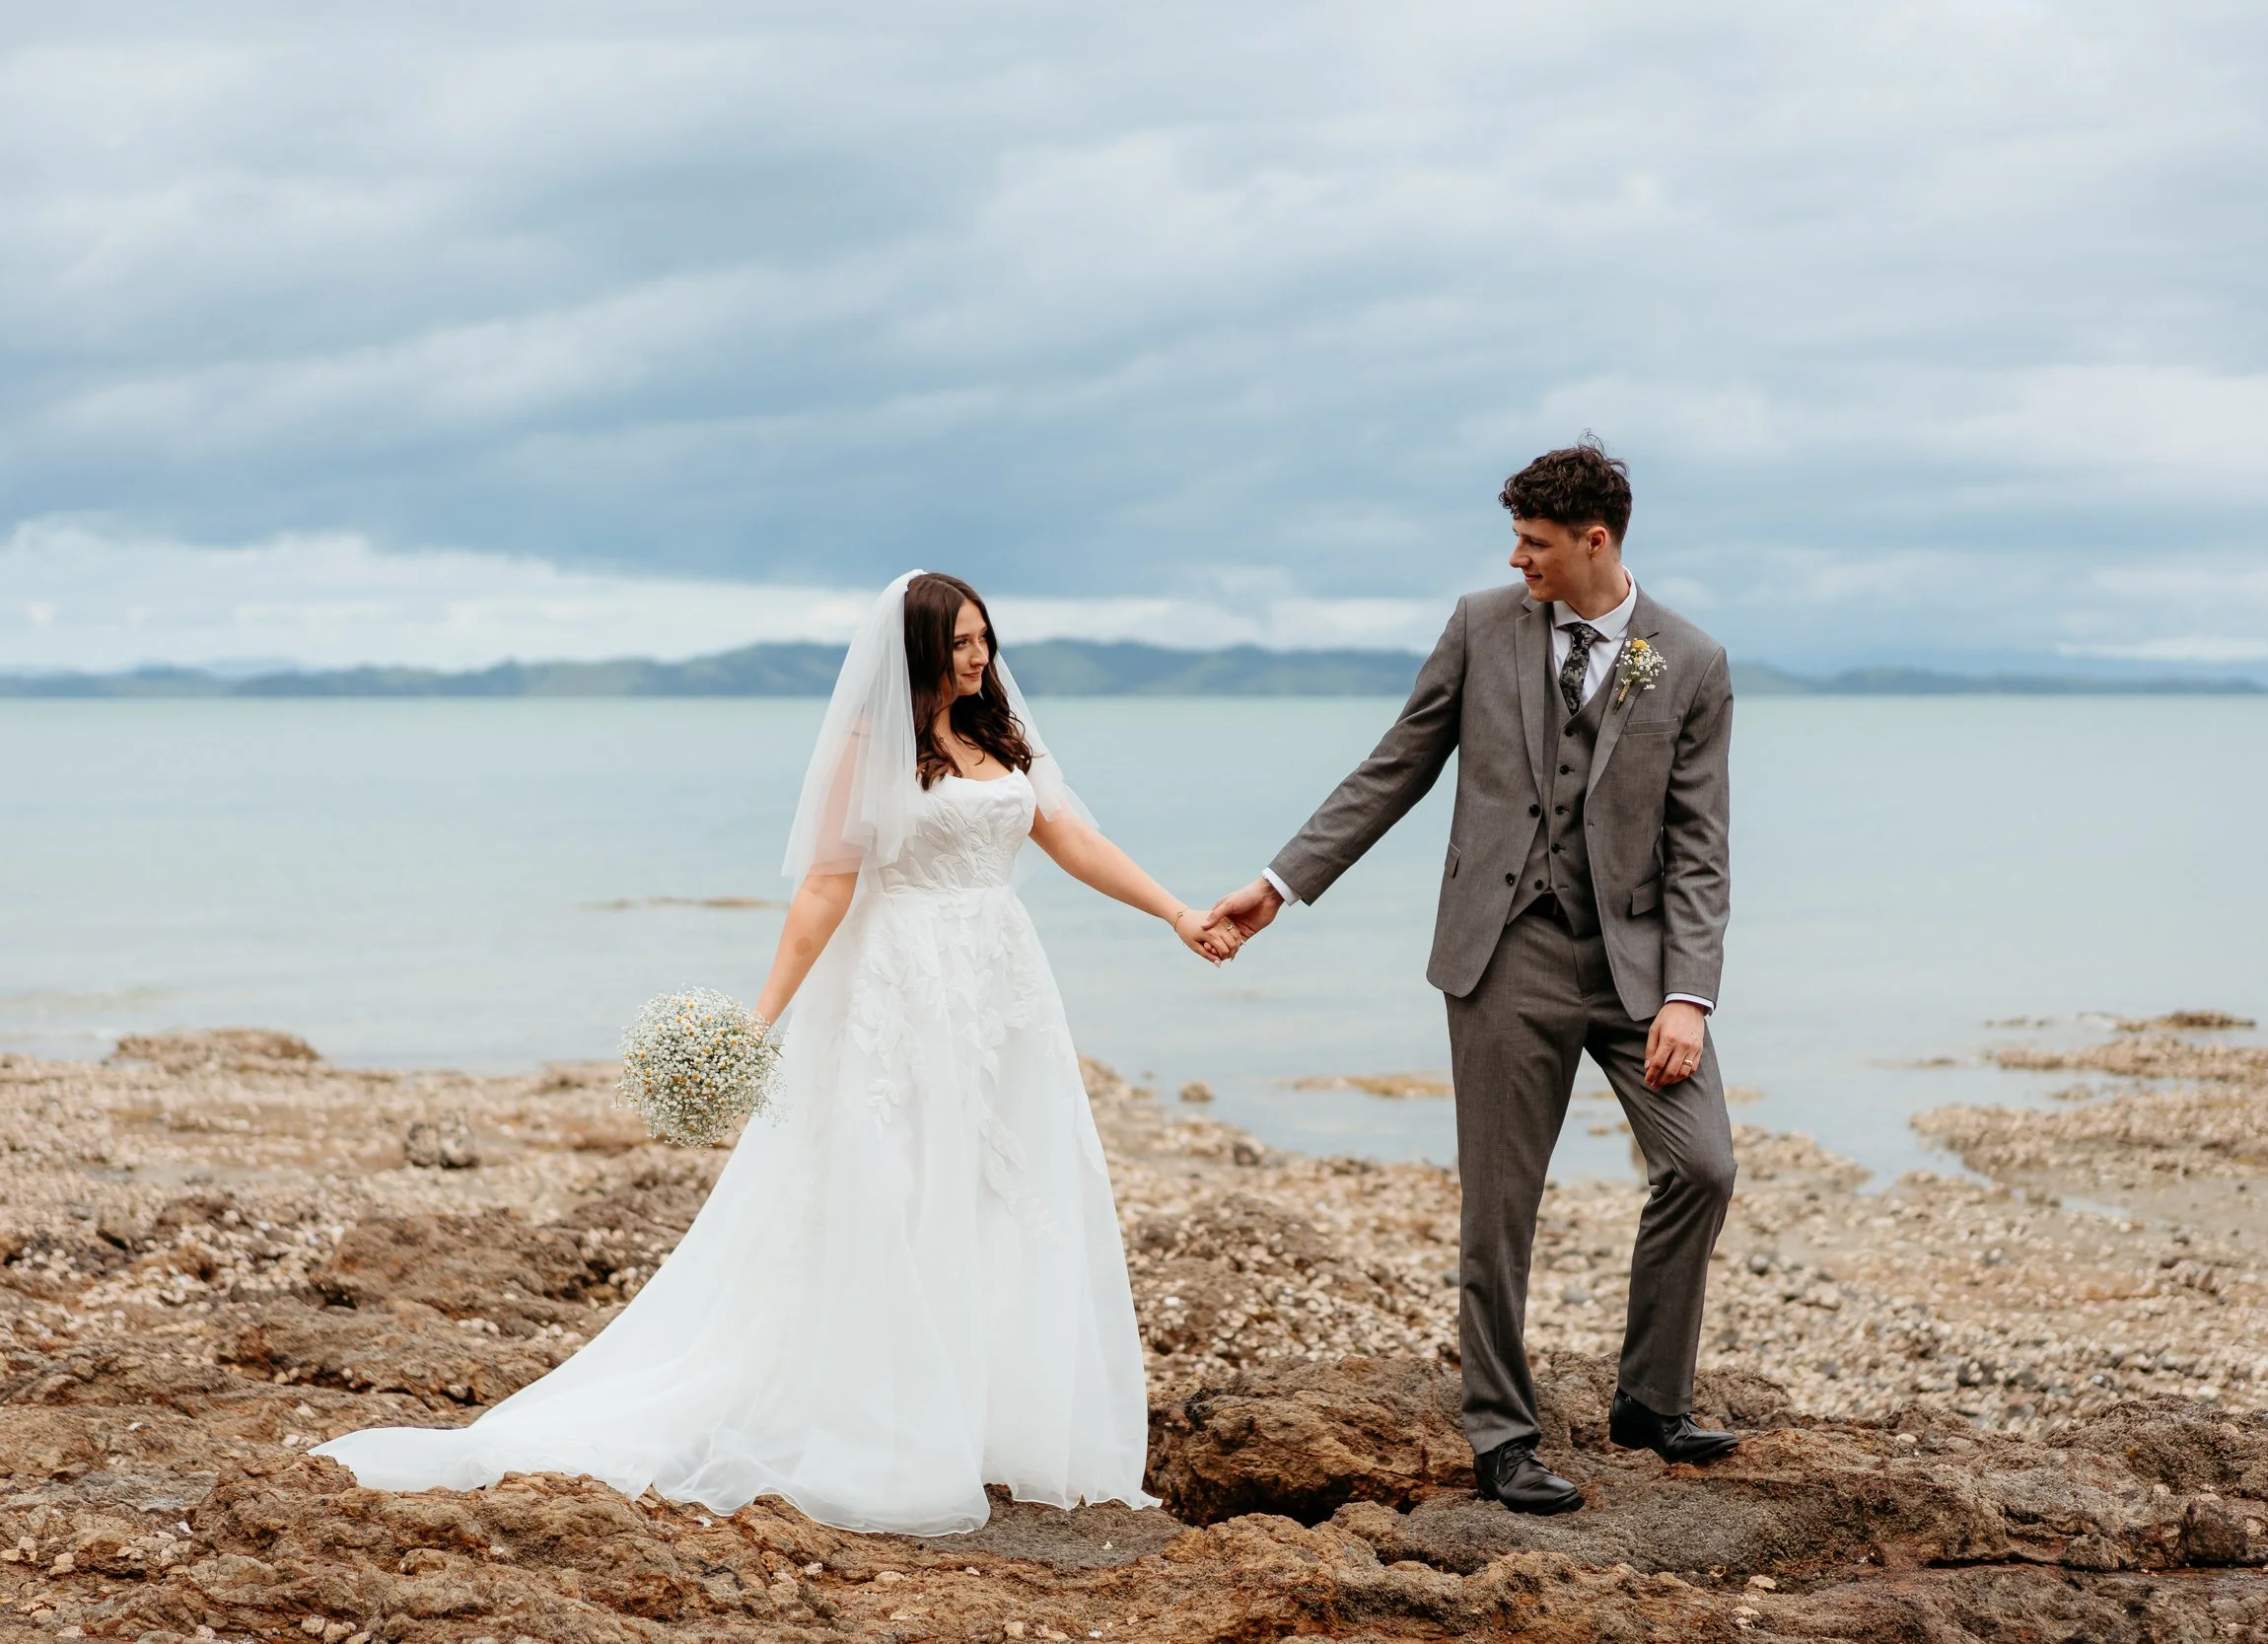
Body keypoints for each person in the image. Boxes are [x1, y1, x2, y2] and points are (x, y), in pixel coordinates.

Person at [319, 570, 1236, 1535]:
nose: (982, 655)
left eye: (986, 638)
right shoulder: (867, 748)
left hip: (1004, 989)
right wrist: (758, 1023)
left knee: (1002, 1194)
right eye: (964, 641)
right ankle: (892, 1418)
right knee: (900, 1187)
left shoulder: (1000, 733)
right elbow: (824, 892)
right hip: (903, 988)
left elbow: (1072, 837)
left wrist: (1176, 912)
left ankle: (985, 1417)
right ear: (921, 649)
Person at [1207, 439, 1739, 1515]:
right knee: (1502, 1205)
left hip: (1637, 969)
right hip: (1505, 953)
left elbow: (1699, 843)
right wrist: (1278, 885)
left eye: (1535, 543)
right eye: (1514, 540)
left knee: (1704, 1166)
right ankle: (1501, 1435)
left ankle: (1650, 1398)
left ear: (1596, 541)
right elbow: (1395, 764)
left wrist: (1688, 991)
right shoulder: (1480, 625)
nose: (1516, 558)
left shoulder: (1688, 659)